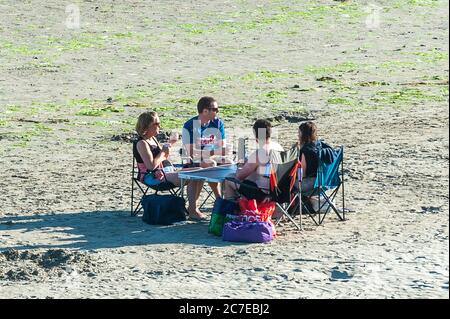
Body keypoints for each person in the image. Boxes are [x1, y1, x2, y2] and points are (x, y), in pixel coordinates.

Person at [182, 97, 229, 220]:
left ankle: (228, 201)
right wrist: (214, 152)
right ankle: (213, 202)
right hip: (194, 160)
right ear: (205, 111)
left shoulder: (218, 123)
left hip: (211, 156)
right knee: (208, 163)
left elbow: (222, 146)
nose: (217, 112)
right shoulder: (190, 126)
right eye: (215, 109)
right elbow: (192, 153)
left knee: (230, 163)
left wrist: (216, 152)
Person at [223, 119, 284, 202]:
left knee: (229, 178)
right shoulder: (278, 147)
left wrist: (241, 165)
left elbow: (240, 176)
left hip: (263, 193)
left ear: (256, 136)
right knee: (253, 175)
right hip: (279, 189)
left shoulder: (259, 153)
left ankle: (230, 210)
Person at [133, 111, 182, 187]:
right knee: (192, 177)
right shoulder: (142, 143)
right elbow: (151, 166)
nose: (159, 126)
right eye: (156, 124)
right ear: (146, 126)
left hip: (166, 171)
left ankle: (192, 199)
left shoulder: (153, 139)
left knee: (198, 172)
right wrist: (163, 151)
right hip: (152, 177)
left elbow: (164, 157)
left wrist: (170, 143)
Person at [297, 121, 336, 193]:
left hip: (313, 184)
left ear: (303, 135)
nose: (298, 135)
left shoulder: (305, 150)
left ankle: (300, 203)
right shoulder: (320, 145)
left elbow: (303, 174)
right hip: (327, 181)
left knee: (286, 185)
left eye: (299, 133)